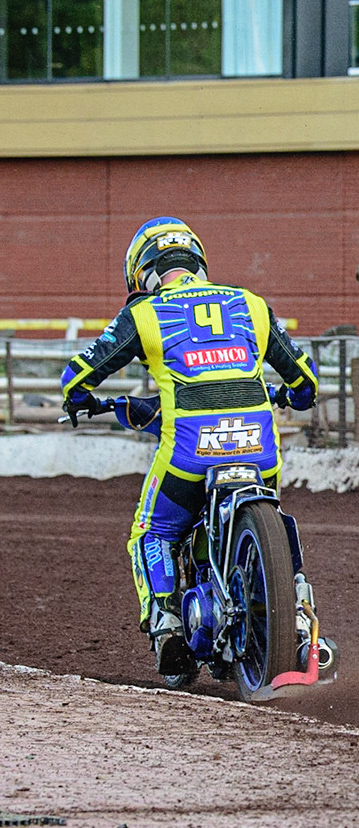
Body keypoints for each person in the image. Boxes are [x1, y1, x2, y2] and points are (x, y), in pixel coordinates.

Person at [59, 217, 321, 676]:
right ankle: (298, 616)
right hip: (259, 450)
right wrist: (294, 397)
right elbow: (306, 380)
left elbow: (78, 375)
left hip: (190, 454)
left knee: (152, 530)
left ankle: (165, 621)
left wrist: (80, 400)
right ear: (197, 261)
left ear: (144, 271)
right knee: (276, 516)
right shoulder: (251, 305)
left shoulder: (144, 314)